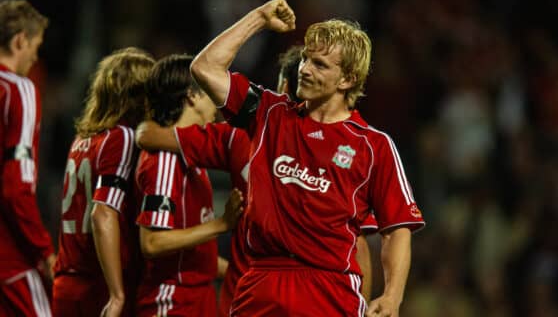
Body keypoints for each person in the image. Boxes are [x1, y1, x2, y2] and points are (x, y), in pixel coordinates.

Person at [190, 0, 425, 317]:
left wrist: (393, 296)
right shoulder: (268, 113)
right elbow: (204, 68)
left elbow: (396, 228)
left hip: (330, 290)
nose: (305, 69)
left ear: (347, 79)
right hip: (261, 284)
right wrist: (258, 18)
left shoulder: (373, 146)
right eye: (305, 59)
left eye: (320, 65)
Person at [136, 45, 378, 315]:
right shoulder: (351, 154)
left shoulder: (243, 136)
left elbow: (150, 135)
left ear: (284, 85)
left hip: (248, 297)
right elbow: (359, 248)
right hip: (311, 301)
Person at [134, 54, 243, 317]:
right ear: (192, 96)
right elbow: (152, 242)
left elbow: (194, 252)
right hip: (172, 300)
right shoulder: (165, 160)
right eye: (208, 92)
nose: (216, 103)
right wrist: (221, 224)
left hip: (197, 296)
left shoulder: (190, 155)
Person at [52, 48, 155, 317]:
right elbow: (103, 212)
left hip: (67, 281)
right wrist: (117, 294)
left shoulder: (82, 140)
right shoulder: (120, 137)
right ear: (138, 94)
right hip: (97, 284)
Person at [0, 0, 52, 316]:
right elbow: (15, 186)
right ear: (20, 39)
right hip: (10, 258)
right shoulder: (19, 90)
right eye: (36, 45)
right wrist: (44, 249)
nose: (35, 56)